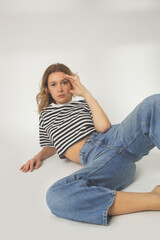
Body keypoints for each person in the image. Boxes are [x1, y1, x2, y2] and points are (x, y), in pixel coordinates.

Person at [20, 63, 160, 226]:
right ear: (47, 88)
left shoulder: (84, 103)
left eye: (64, 82)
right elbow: (51, 145)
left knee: (154, 102)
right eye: (54, 84)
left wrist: (85, 94)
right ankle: (154, 199)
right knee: (57, 196)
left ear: (71, 83)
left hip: (116, 136)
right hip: (103, 160)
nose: (60, 89)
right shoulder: (45, 115)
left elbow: (104, 127)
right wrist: (37, 157)